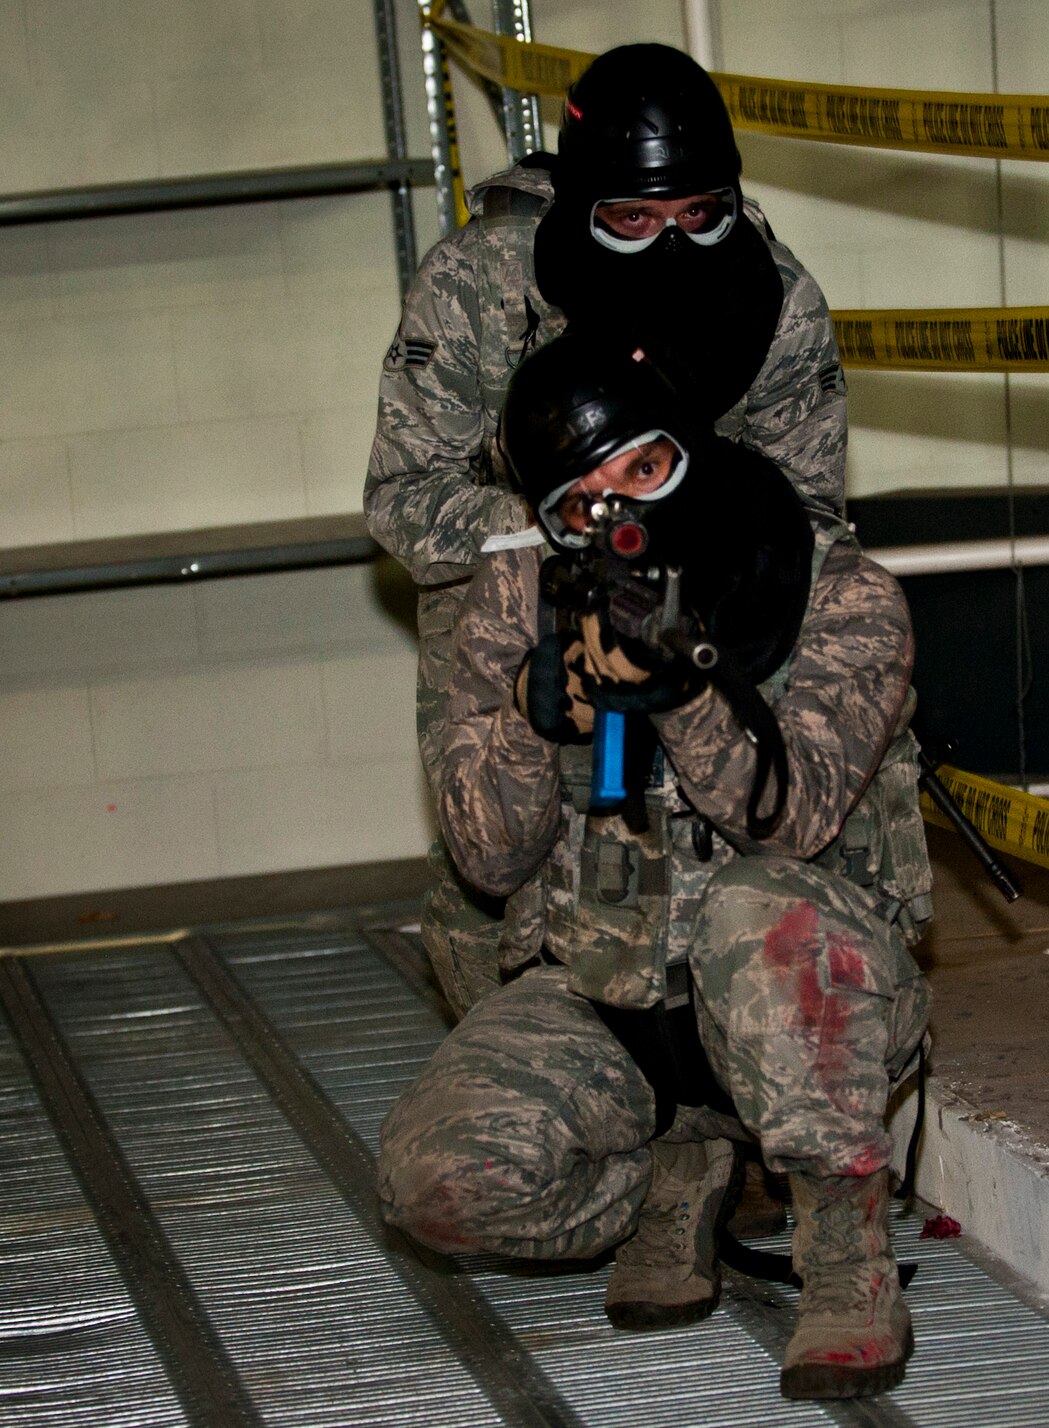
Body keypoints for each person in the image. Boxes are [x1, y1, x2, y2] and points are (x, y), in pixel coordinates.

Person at [376, 331, 932, 1401]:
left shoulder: (834, 591)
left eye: (644, 468)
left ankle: (843, 1250)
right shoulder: (513, 600)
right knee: (439, 1186)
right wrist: (536, 722)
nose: (619, 515)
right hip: (603, 987)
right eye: (579, 503)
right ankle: (670, 1177)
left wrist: (684, 693)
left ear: (694, 449)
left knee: (750, 908)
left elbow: (792, 818)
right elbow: (487, 860)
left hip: (803, 985)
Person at [365, 40, 848, 1019]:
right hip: (510, 567)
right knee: (492, 858)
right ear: (584, 206)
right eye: (631, 220)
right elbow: (405, 498)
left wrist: (698, 577)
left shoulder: (774, 300)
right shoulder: (484, 281)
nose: (669, 244)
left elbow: (813, 516)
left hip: (710, 568)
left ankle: (697, 1073)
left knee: (726, 820)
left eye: (696, 216)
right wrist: (567, 542)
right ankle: (514, 1050)